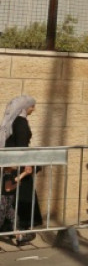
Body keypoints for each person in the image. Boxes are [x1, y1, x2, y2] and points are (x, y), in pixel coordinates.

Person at [0, 95, 40, 245]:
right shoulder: (21, 122)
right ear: (24, 107)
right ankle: (19, 229)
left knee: (8, 201)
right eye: (32, 106)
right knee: (14, 199)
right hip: (17, 165)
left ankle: (16, 232)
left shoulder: (13, 121)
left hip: (11, 164)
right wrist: (26, 165)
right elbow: (21, 145)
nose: (33, 109)